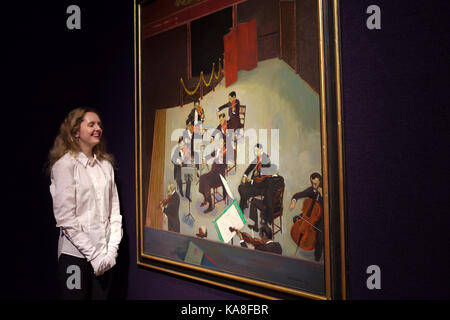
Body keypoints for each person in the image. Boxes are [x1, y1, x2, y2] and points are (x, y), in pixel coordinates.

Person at [47, 107, 123, 300]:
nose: (98, 128)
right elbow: (66, 220)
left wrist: (111, 252)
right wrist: (94, 256)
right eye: (91, 124)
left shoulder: (106, 166)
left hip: (105, 258)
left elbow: (115, 214)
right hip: (75, 258)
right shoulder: (64, 166)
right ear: (76, 132)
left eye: (99, 124)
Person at [290, 172, 324, 262]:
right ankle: (305, 236)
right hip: (310, 214)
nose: (313, 186)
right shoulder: (312, 190)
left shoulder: (326, 190)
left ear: (320, 181)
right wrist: (294, 200)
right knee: (295, 219)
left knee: (320, 239)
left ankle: (317, 258)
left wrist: (324, 196)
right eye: (312, 183)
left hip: (321, 217)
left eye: (315, 184)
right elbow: (298, 195)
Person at [238, 143, 277, 211]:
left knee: (244, 190)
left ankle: (241, 208)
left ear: (261, 150)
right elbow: (250, 167)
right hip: (255, 182)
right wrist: (245, 175)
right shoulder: (258, 157)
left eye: (257, 151)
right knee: (241, 187)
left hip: (261, 186)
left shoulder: (266, 160)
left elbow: (263, 177)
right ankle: (244, 203)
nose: (255, 153)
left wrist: (252, 180)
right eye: (254, 151)